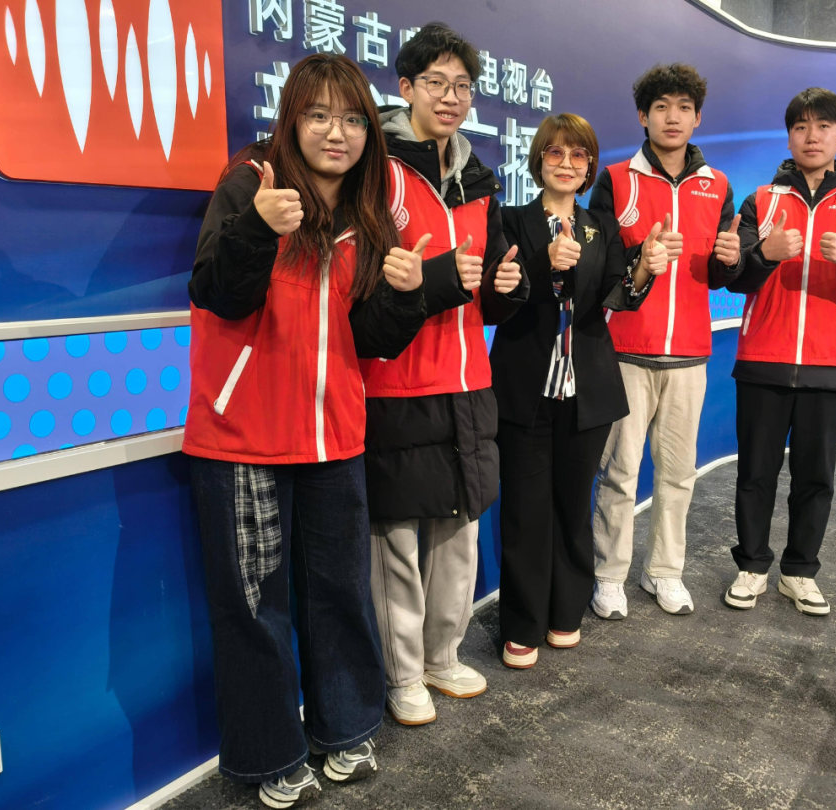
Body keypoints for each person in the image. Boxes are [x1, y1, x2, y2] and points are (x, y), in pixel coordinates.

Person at [184, 54, 429, 808]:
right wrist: (258, 228)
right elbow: (215, 292)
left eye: (353, 119)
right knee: (254, 606)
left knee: (340, 591)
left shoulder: (369, 214)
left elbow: (370, 338)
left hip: (333, 437)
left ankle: (345, 729)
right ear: (292, 119)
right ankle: (269, 754)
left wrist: (408, 296)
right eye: (319, 115)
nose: (336, 133)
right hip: (243, 437)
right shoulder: (250, 183)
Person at [361, 22, 527, 726]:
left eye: (462, 86)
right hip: (396, 382)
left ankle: (442, 655)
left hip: (469, 380)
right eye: (436, 82)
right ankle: (402, 675)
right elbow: (363, 285)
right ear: (406, 87)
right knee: (398, 540)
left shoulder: (479, 180)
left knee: (460, 531)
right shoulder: (376, 171)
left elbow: (492, 283)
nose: (451, 97)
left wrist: (509, 287)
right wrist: (438, 278)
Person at [492, 114, 669, 669]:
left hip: (586, 390)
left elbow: (617, 296)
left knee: (573, 506)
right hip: (524, 390)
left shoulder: (601, 226)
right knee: (525, 512)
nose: (566, 164)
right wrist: (542, 265)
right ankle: (522, 624)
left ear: (589, 166)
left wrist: (644, 270)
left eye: (578, 155)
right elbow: (501, 299)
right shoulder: (510, 220)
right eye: (555, 153)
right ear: (538, 160)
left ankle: (566, 612)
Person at [724, 87, 836, 615]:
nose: (812, 136)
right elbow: (734, 276)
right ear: (789, 137)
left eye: (823, 126)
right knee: (754, 474)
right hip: (763, 360)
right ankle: (752, 566)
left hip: (833, 365)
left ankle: (799, 571)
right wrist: (764, 253)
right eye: (801, 126)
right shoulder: (760, 200)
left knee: (815, 478)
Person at [590, 63, 742, 620]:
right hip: (626, 351)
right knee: (619, 474)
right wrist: (641, 258)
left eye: (683, 107)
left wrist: (732, 260)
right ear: (643, 116)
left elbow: (720, 272)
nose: (672, 117)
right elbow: (602, 269)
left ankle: (664, 572)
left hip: (689, 356)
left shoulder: (717, 185)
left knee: (678, 474)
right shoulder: (616, 179)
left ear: (697, 118)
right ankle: (609, 576)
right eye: (661, 107)